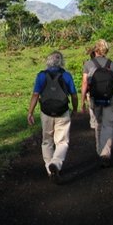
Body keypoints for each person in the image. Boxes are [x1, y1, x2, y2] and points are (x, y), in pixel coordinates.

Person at [27, 51, 78, 182]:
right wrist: (75, 109)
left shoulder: (41, 76)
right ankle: (56, 163)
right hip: (63, 111)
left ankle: (50, 170)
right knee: (62, 141)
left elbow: (35, 95)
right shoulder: (66, 75)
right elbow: (74, 95)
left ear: (47, 62)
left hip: (46, 112)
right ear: (61, 62)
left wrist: (30, 112)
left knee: (47, 141)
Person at [80, 39, 113, 167]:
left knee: (98, 125)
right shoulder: (112, 64)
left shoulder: (88, 64)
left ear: (95, 49)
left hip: (94, 98)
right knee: (108, 125)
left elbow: (85, 83)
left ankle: (100, 151)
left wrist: (82, 101)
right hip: (110, 98)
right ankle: (105, 153)